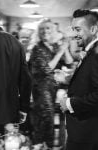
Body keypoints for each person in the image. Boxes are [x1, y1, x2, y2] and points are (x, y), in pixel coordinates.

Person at [28, 18, 72, 149]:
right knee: (44, 118)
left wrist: (65, 48)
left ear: (53, 31)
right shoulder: (37, 48)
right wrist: (60, 52)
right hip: (41, 89)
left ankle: (46, 145)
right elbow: (47, 69)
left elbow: (69, 62)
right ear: (39, 32)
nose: (45, 31)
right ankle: (41, 145)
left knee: (49, 118)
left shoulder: (53, 46)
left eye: (48, 28)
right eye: (42, 29)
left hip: (51, 88)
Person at [58, 9, 98, 150]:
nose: (74, 34)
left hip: (88, 134)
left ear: (93, 29)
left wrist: (70, 104)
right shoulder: (90, 51)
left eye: (78, 29)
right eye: (73, 29)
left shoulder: (96, 54)